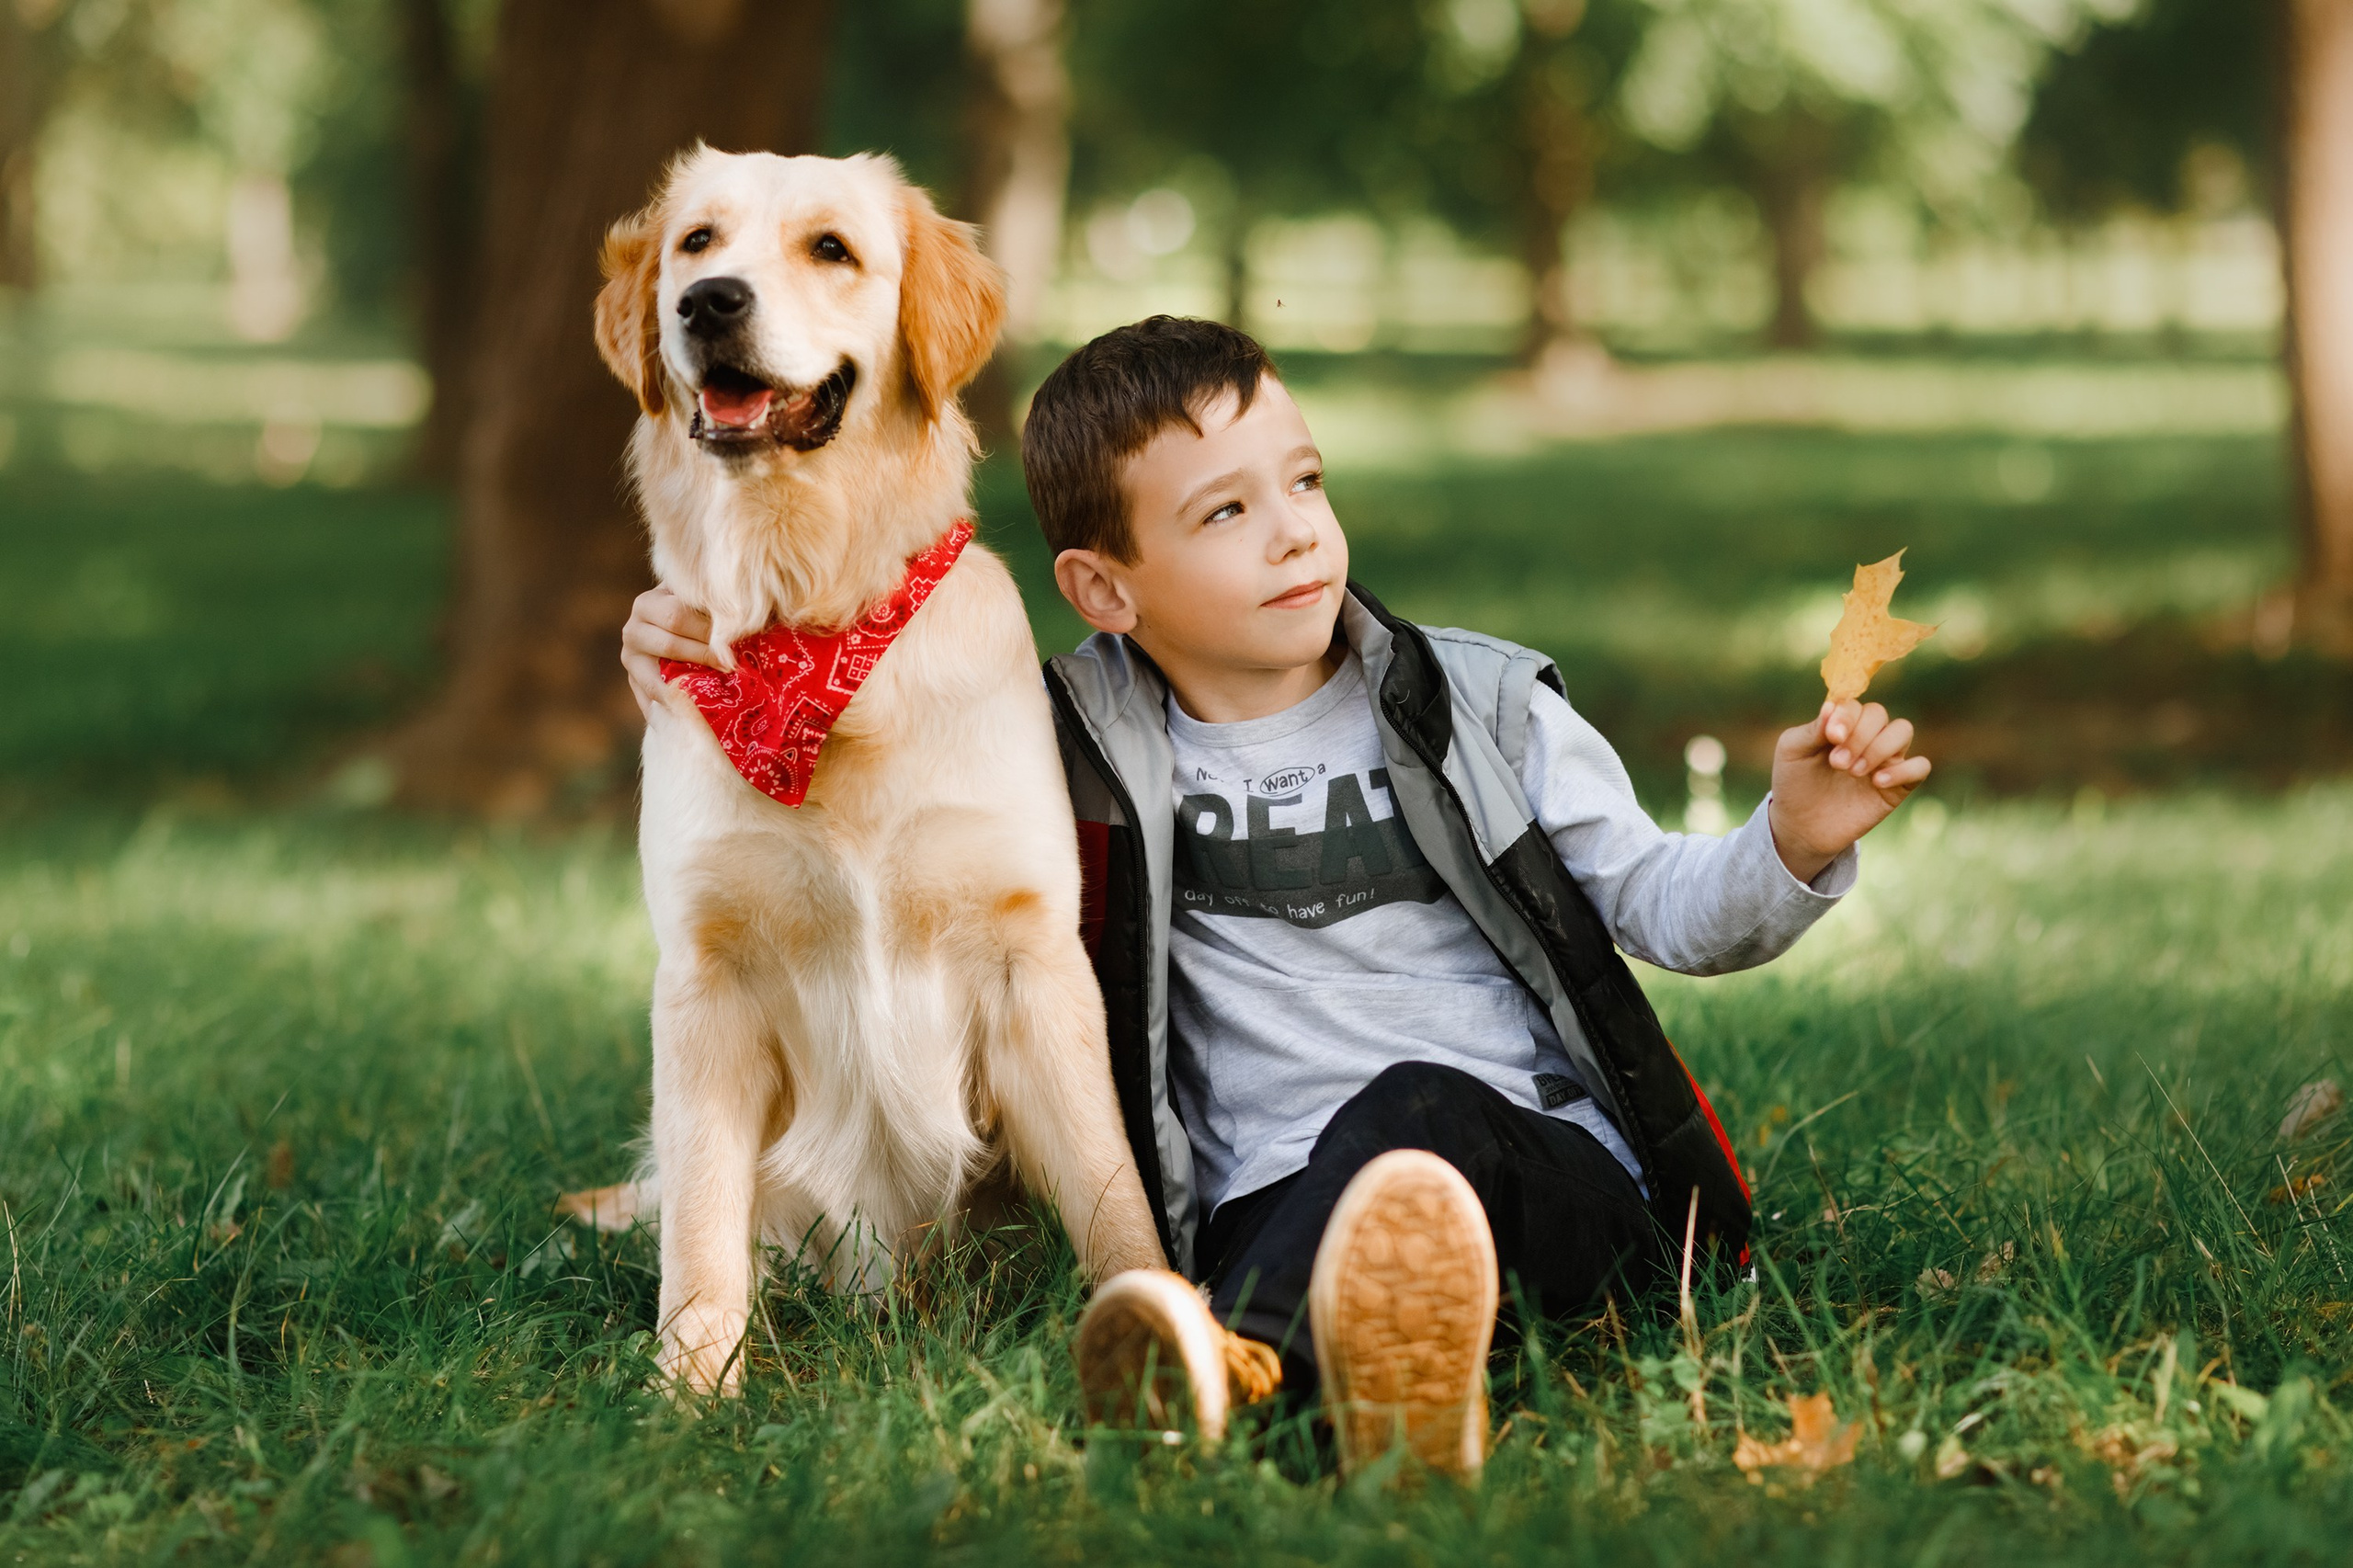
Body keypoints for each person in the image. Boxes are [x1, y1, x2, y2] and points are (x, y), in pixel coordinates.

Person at [620, 316, 1931, 1479]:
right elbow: (870, 708)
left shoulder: (1477, 703)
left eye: (1303, 480)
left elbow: (1662, 904)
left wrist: (1789, 842)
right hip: (1271, 1200)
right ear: (1104, 590)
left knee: (1418, 1105)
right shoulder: (1057, 740)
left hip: (1545, 1175)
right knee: (1319, 1194)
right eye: (1226, 513)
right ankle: (1355, 1387)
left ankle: (1230, 1377)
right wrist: (679, 650)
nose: (1297, 526)